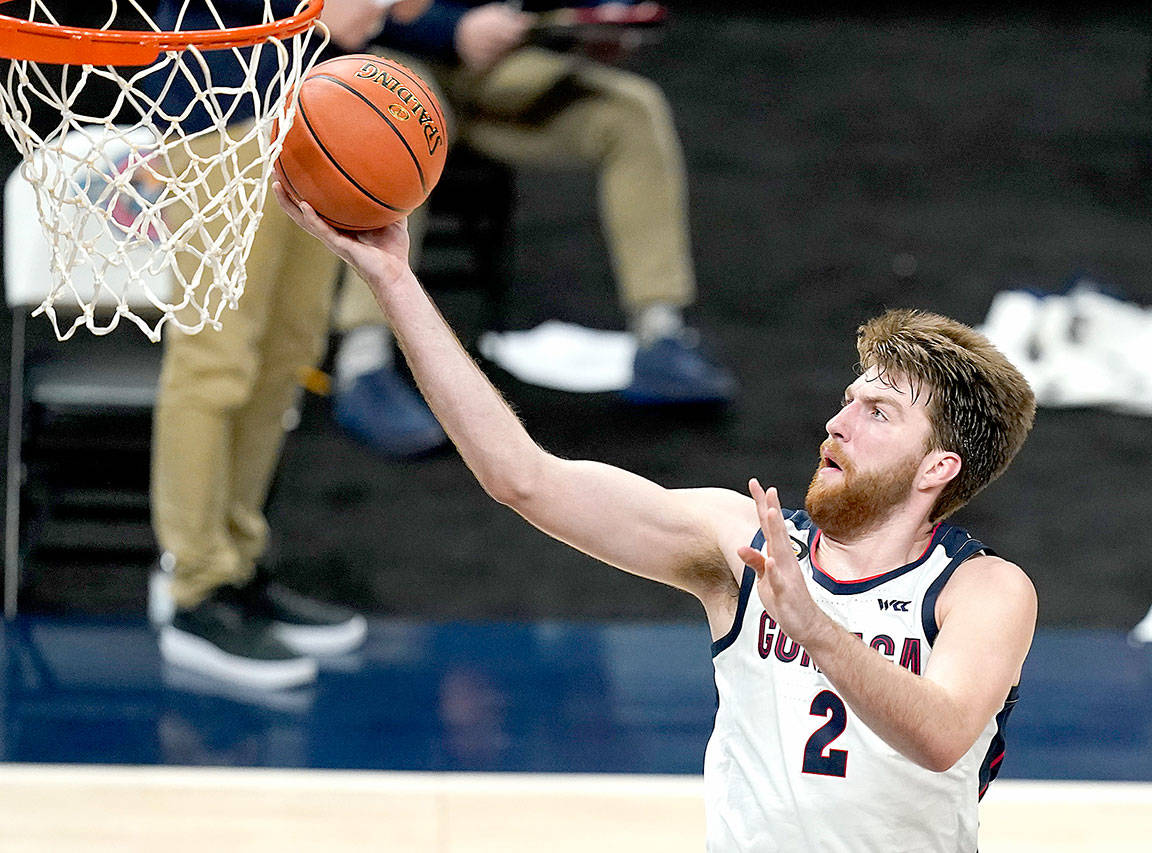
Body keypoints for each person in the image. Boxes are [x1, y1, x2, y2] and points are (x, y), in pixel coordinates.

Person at [275, 181, 1039, 850]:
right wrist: (394, 280)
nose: (839, 423)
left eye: (879, 412)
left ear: (938, 467)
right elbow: (523, 477)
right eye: (847, 401)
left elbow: (941, 735)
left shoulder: (983, 591)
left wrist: (814, 628)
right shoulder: (741, 545)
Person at [146, 0, 433, 690]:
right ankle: (193, 589)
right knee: (216, 358)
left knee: (287, 352)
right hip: (216, 97)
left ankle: (237, 565)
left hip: (306, 101)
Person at [326, 0, 736, 458]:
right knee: (396, 135)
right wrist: (451, 27)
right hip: (396, 56)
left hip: (502, 65)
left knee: (633, 111)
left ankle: (660, 331)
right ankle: (362, 362)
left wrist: (586, 29)